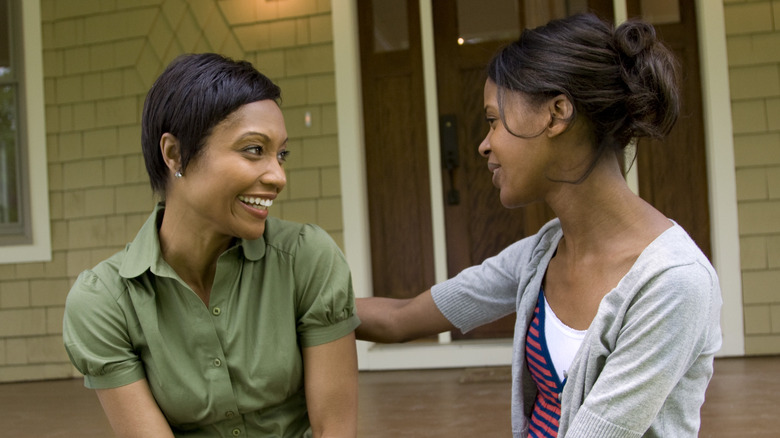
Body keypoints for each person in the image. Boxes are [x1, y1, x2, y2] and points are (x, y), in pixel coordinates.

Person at [356, 13, 722, 438]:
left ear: (556, 114)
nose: (484, 145)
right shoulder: (542, 254)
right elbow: (399, 318)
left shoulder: (673, 282)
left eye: (493, 120)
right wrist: (293, 300)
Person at [63, 53, 360, 438]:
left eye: (281, 154)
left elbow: (334, 429)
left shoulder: (306, 258)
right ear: (175, 154)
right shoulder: (104, 303)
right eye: (254, 149)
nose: (278, 176)